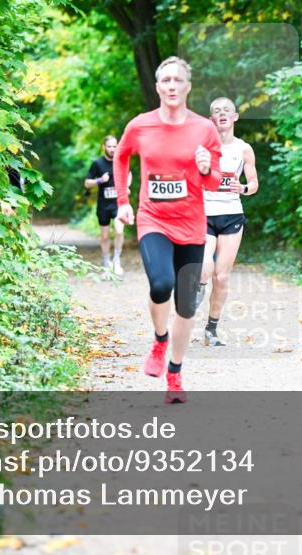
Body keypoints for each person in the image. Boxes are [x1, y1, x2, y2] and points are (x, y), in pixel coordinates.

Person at [113, 56, 223, 404]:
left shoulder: (204, 129)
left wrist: (206, 169)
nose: (172, 85)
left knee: (187, 305)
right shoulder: (140, 126)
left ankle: (174, 374)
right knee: (161, 283)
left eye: (178, 80)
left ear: (188, 86)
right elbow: (121, 156)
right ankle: (160, 340)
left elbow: (215, 181)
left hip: (191, 224)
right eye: (166, 80)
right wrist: (122, 201)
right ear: (159, 87)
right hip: (153, 219)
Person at [197, 97, 259, 346]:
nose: (221, 114)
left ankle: (211, 329)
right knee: (204, 267)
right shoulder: (201, 147)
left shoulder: (244, 149)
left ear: (235, 117)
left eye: (226, 111)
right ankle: (196, 289)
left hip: (232, 215)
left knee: (221, 277)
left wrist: (242, 187)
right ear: (212, 120)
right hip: (204, 213)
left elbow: (254, 184)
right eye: (216, 112)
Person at [84, 135, 129, 275]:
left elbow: (130, 174)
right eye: (109, 146)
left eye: (114, 146)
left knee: (119, 231)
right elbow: (87, 183)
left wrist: (127, 185)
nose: (112, 149)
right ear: (104, 147)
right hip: (104, 205)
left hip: (118, 204)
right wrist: (100, 180)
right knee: (104, 237)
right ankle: (106, 263)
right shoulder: (97, 163)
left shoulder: (121, 161)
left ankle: (116, 261)